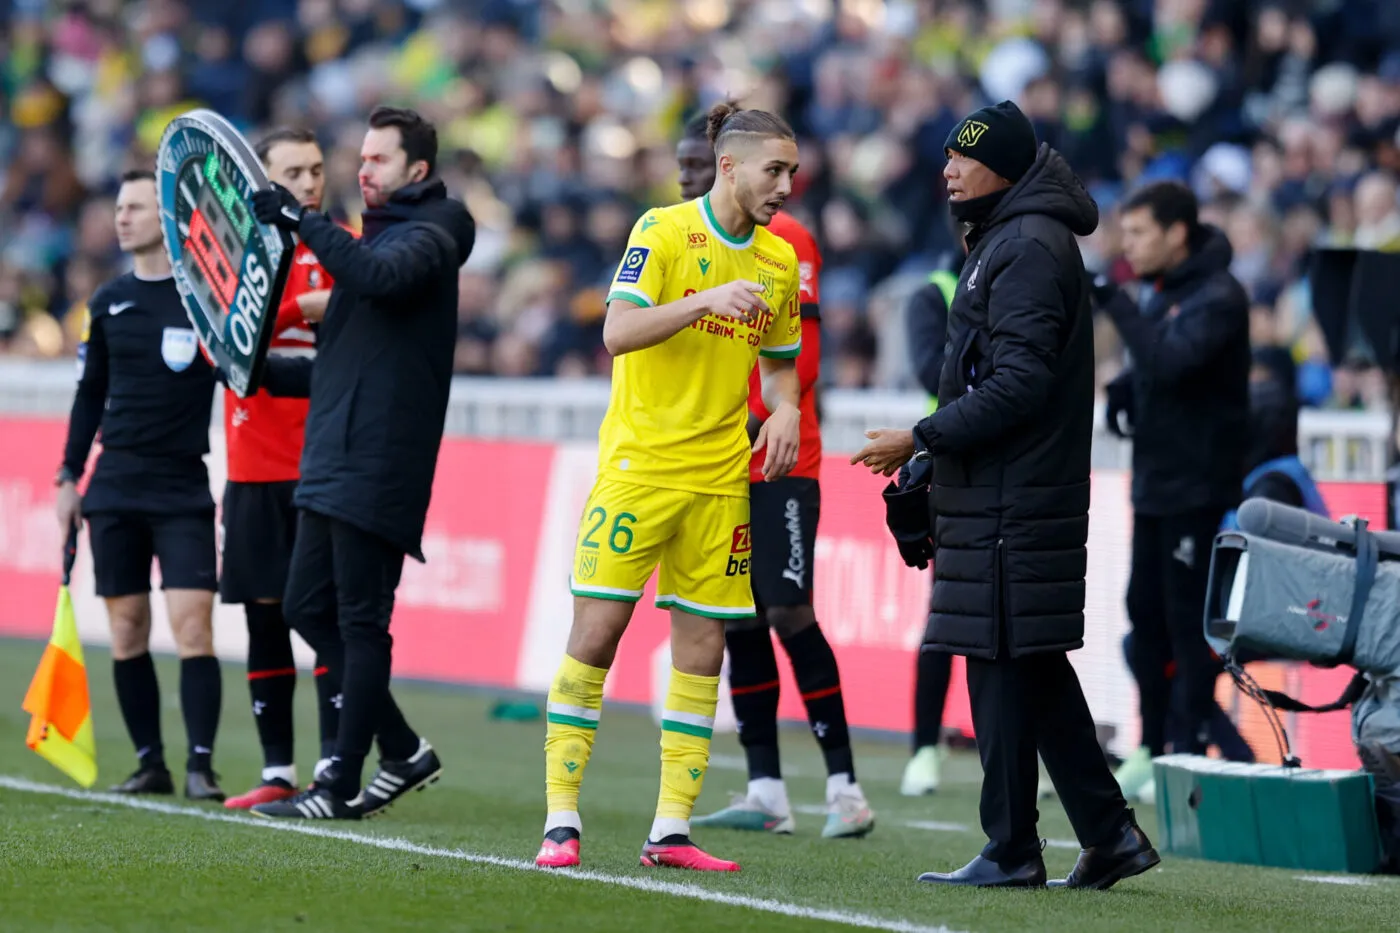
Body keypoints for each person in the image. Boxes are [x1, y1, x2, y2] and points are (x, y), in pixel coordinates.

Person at [853, 100, 1158, 889]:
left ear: (1005, 167)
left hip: (1012, 497)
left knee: (998, 662)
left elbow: (1020, 382)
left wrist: (921, 436)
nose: (946, 167)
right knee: (1028, 663)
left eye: (963, 155)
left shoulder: (1023, 245)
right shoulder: (1013, 237)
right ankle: (1109, 834)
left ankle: (1012, 847)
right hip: (1001, 491)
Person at [534, 102, 804, 873]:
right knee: (597, 635)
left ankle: (671, 831)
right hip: (639, 468)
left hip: (720, 479)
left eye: (791, 172)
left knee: (703, 649)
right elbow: (617, 333)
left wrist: (783, 408)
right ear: (729, 166)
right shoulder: (663, 230)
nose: (785, 186)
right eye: (773, 170)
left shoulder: (779, 263)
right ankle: (560, 819)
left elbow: (781, 363)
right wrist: (703, 302)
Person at [245, 105, 476, 820]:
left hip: (380, 461)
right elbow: (337, 366)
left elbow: (379, 278)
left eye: (377, 160)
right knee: (309, 605)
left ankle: (338, 782)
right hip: (336, 456)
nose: (361, 170)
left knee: (360, 618)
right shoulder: (376, 244)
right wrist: (256, 369)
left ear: (418, 169)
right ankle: (401, 747)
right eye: (364, 157)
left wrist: (298, 220)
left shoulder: (438, 230)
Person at [674, 114, 874, 839]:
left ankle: (846, 788)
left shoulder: (784, 240)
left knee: (790, 609)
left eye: (698, 164)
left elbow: (802, 360)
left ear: (727, 164)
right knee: (738, 620)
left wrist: (751, 426)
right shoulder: (684, 238)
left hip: (781, 462)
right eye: (682, 165)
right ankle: (766, 788)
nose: (686, 178)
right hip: (717, 465)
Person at [55, 169, 224, 801]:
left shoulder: (206, 300)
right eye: (118, 207)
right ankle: (150, 762)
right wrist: (67, 474)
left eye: (135, 207)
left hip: (181, 484)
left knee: (193, 628)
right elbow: (88, 395)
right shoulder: (106, 301)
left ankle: (200, 764)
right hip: (116, 481)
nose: (121, 218)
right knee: (126, 629)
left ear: (168, 218)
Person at [1095, 180, 1251, 804]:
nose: (1127, 246)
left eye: (1137, 233)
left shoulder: (1219, 296)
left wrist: (1116, 304)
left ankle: (1187, 751)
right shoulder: (1166, 293)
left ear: (1176, 233)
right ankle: (1152, 746)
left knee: (1187, 625)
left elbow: (1172, 361)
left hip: (1198, 488)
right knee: (1147, 616)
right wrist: (1125, 392)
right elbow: (1154, 368)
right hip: (1155, 483)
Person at [221, 129, 345, 810]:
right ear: (261, 180)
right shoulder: (233, 252)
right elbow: (227, 349)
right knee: (263, 616)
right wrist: (299, 311)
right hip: (250, 461)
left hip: (322, 464)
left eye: (316, 169)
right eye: (292, 171)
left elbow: (355, 345)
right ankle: (277, 768)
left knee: (322, 613)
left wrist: (295, 311)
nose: (307, 181)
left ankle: (333, 766)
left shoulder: (340, 246)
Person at [899, 269, 957, 797]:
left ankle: (1032, 746)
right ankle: (923, 749)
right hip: (949, 466)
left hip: (1006, 463)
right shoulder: (934, 289)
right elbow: (927, 372)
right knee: (943, 613)